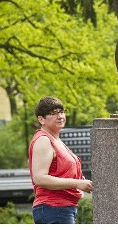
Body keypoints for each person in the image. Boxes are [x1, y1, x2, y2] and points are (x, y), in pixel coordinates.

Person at [28, 96, 92, 224]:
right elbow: (40, 178)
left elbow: (61, 172)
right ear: (41, 119)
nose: (60, 116)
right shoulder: (43, 140)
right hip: (53, 209)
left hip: (62, 210)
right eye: (53, 113)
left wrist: (82, 181)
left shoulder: (56, 140)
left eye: (62, 112)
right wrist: (76, 183)